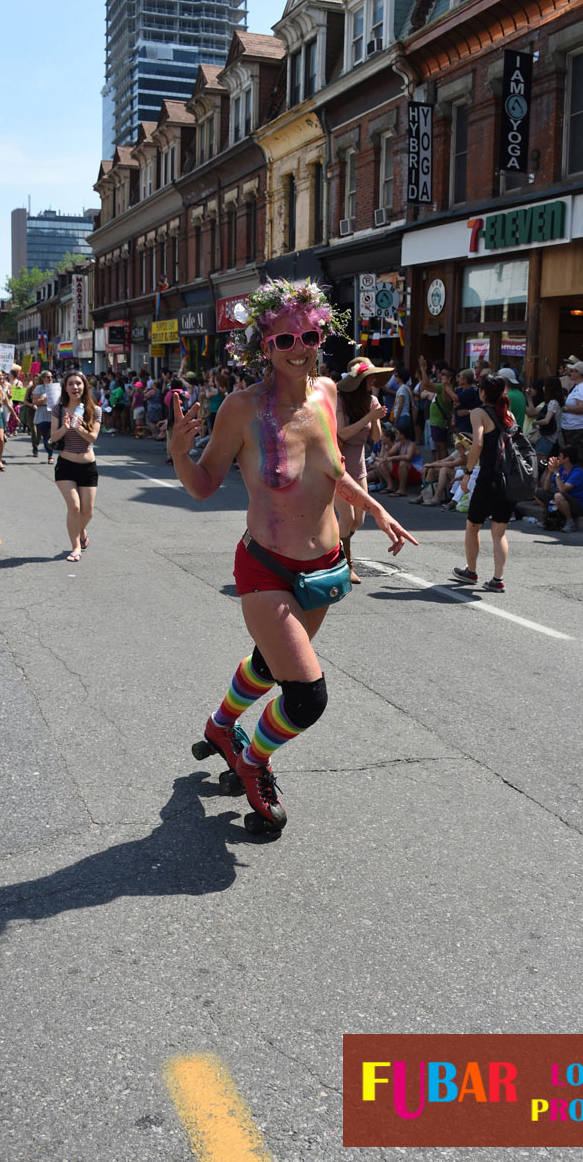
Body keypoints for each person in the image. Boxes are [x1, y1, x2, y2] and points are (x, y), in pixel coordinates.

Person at [171, 279, 417, 834]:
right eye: (285, 339)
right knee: (305, 696)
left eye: (309, 335)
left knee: (269, 663)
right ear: (264, 345)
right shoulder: (240, 409)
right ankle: (253, 762)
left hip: (324, 566)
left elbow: (330, 472)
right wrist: (179, 455)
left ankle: (220, 726)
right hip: (266, 568)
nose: (300, 347)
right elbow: (204, 484)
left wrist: (377, 511)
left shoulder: (328, 393)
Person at [452, 374, 516, 593]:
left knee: (473, 525)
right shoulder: (509, 415)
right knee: (499, 532)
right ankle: (498, 579)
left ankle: (471, 571)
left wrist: (468, 472)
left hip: (489, 477)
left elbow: (478, 444)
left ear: (482, 392)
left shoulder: (479, 412)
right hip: (509, 478)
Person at [335, 357, 391, 583]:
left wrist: (376, 418)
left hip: (359, 466)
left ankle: (333, 545)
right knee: (347, 517)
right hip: (339, 466)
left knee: (360, 519)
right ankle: (345, 565)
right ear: (358, 380)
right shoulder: (340, 400)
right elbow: (342, 434)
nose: (374, 381)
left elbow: (375, 438)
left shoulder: (371, 400)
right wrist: (369, 417)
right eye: (370, 378)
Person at [49, 371, 101, 562]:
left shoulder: (94, 410)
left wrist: (79, 427)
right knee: (75, 507)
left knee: (88, 512)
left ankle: (81, 530)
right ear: (65, 388)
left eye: (78, 383)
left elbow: (93, 437)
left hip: (88, 466)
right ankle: (76, 547)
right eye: (70, 384)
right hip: (66, 466)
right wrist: (64, 427)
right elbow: (53, 437)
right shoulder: (58, 409)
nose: (75, 387)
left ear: (84, 386)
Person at [536, 444, 583, 533]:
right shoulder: (561, 470)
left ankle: (570, 522)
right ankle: (548, 517)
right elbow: (546, 488)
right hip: (562, 502)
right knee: (537, 492)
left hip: (578, 506)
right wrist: (550, 472)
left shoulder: (577, 472)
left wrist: (556, 472)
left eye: (560, 456)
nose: (558, 458)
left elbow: (562, 490)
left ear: (567, 458)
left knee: (558, 496)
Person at [32, 370, 61, 463]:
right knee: (46, 436)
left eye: (51, 377)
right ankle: (50, 454)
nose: (50, 379)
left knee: (52, 435)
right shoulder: (39, 388)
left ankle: (51, 454)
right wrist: (45, 399)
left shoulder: (56, 388)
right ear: (43, 378)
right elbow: (35, 402)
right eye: (48, 377)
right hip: (42, 413)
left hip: (53, 414)